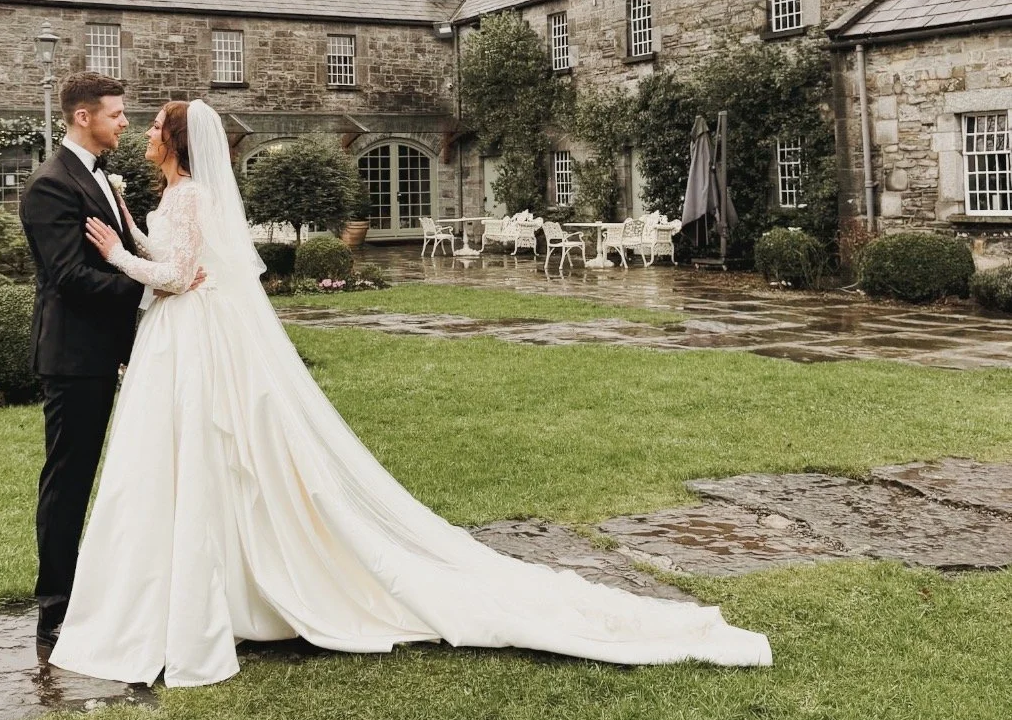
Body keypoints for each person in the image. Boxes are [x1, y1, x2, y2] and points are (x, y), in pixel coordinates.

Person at [49, 98, 771, 686]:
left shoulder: (191, 193)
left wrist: (118, 253)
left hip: (191, 336)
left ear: (174, 142)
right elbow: (181, 261)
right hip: (185, 337)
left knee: (208, 453)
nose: (138, 132)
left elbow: (180, 276)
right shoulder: (177, 194)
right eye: (131, 122)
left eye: (149, 127)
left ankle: (215, 593)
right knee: (194, 459)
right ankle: (217, 586)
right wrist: (136, 245)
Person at [19, 71, 200, 665]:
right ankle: (57, 606)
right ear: (82, 117)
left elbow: (126, 253)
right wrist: (155, 295)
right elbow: (70, 277)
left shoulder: (100, 178)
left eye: (127, 116)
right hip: (75, 357)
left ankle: (116, 592)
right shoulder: (50, 185)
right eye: (117, 114)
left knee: (129, 476)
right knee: (70, 479)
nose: (125, 122)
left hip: (121, 351)